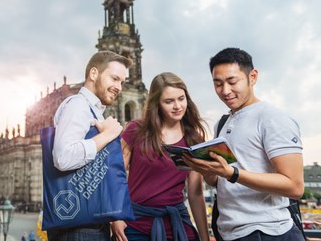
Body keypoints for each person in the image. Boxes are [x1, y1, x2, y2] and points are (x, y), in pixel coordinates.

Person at [184, 47, 304, 240]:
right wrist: (207, 170)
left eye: (232, 81)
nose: (225, 91)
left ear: (253, 77)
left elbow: (295, 187)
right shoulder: (222, 124)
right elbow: (219, 182)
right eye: (218, 84)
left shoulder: (272, 118)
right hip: (228, 231)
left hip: (267, 232)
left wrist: (232, 173)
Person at [111, 72, 210, 241]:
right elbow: (115, 173)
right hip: (135, 224)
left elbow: (195, 193)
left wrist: (205, 237)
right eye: (169, 101)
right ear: (157, 104)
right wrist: (115, 216)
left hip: (177, 223)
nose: (177, 106)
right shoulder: (136, 129)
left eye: (181, 98)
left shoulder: (194, 138)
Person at [47, 50, 132, 241]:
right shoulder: (78, 105)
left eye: (122, 82)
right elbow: (63, 157)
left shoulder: (93, 111)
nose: (119, 87)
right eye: (114, 78)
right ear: (94, 74)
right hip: (78, 228)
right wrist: (108, 135)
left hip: (89, 223)